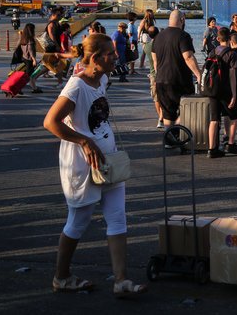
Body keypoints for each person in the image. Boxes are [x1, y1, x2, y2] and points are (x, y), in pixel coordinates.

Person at [42, 33, 147, 298]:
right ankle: (61, 277)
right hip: (81, 161)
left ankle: (121, 280)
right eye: (111, 54)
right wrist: (83, 141)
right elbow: (51, 122)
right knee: (78, 220)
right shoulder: (76, 86)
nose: (116, 57)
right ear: (95, 58)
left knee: (117, 216)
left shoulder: (102, 78)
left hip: (107, 158)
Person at [152, 10, 202, 127]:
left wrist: (158, 76)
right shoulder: (183, 36)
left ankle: (170, 139)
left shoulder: (158, 36)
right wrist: (198, 75)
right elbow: (188, 57)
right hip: (179, 81)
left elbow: (155, 61)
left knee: (168, 114)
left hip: (161, 81)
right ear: (182, 20)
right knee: (188, 108)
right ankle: (177, 130)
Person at [206, 27, 237, 158]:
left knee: (214, 119)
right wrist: (234, 94)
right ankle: (231, 144)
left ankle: (211, 148)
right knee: (234, 116)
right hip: (225, 89)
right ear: (229, 39)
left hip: (212, 89)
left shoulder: (212, 52)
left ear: (217, 38)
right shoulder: (231, 54)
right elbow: (232, 76)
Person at [18, 23, 43, 94]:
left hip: (24, 58)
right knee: (27, 76)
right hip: (29, 59)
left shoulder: (23, 38)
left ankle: (34, 88)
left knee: (27, 75)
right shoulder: (30, 40)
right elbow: (30, 50)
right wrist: (34, 60)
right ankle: (19, 87)